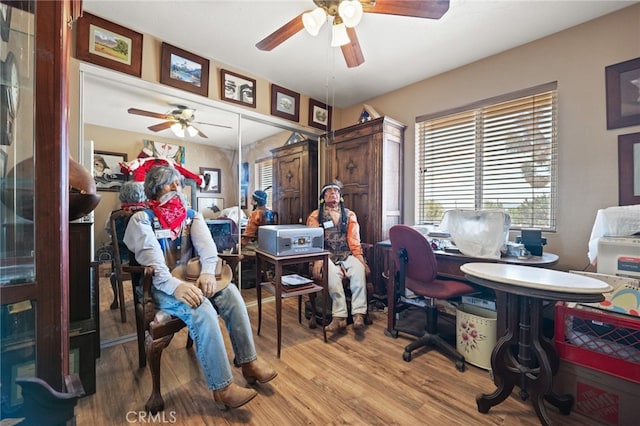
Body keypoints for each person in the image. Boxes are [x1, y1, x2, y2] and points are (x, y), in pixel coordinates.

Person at [123, 165, 276, 409]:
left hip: (190, 278)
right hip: (160, 288)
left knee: (232, 294)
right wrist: (177, 288)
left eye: (178, 183)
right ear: (153, 189)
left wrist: (207, 273)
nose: (176, 188)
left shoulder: (190, 215)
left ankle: (248, 362)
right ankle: (222, 388)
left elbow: (207, 249)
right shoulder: (141, 220)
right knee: (201, 308)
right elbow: (154, 265)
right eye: (168, 183)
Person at [306, 182, 370, 333]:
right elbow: (314, 241)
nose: (332, 194)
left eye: (336, 192)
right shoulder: (315, 215)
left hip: (346, 253)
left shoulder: (349, 214)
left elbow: (354, 240)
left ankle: (358, 314)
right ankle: (339, 317)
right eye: (328, 192)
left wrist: (362, 261)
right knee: (333, 276)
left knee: (358, 272)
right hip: (325, 254)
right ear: (323, 198)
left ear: (340, 197)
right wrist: (317, 260)